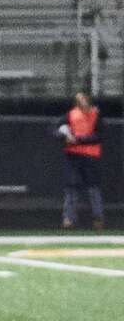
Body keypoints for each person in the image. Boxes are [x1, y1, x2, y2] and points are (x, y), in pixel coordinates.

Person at [59, 91, 104, 230]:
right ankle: (69, 219)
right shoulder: (70, 115)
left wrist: (78, 139)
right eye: (79, 99)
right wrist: (64, 136)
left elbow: (99, 135)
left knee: (93, 188)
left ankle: (98, 218)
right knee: (71, 187)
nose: (82, 101)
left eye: (84, 98)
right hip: (72, 156)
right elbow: (55, 129)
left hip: (90, 156)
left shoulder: (96, 114)